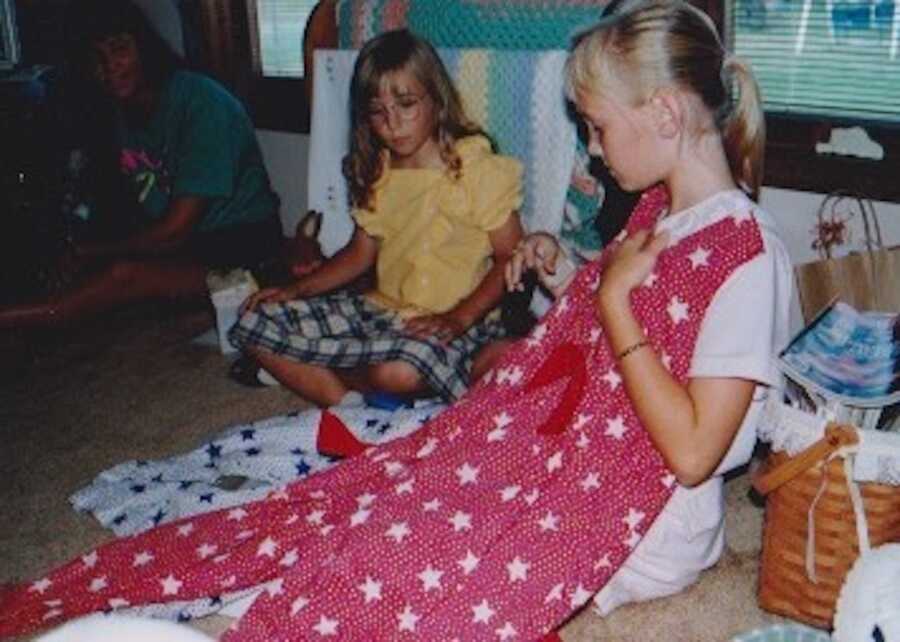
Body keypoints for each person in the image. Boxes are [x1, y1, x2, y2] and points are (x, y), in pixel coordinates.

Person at [0, 2, 792, 640]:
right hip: (569, 450)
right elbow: (628, 318)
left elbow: (692, 453)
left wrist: (613, 304)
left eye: (597, 126)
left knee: (401, 566)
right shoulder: (662, 209)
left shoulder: (746, 255)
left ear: (659, 113)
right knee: (374, 499)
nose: (590, 147)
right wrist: (566, 273)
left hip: (641, 525)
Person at [228, 29, 524, 406]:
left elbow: (511, 258)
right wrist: (294, 290)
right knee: (253, 320)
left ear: (437, 99)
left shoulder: (478, 168)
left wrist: (458, 319)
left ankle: (355, 383)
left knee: (400, 371)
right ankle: (347, 407)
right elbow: (359, 253)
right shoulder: (379, 172)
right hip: (381, 312)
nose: (393, 123)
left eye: (406, 104)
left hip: (461, 320)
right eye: (378, 112)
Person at [0, 0, 282, 330]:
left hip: (244, 246)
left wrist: (90, 252)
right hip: (188, 244)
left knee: (123, 276)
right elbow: (110, 206)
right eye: (96, 58)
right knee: (97, 279)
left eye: (119, 49)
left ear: (144, 48)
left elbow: (174, 231)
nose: (109, 67)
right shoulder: (115, 111)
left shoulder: (202, 102)